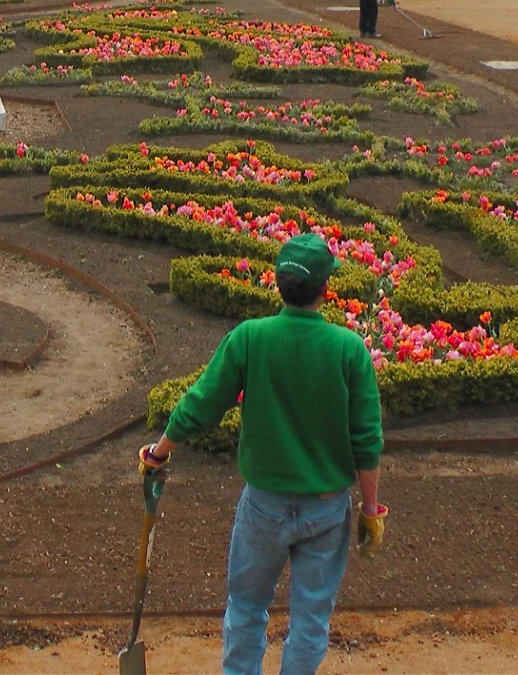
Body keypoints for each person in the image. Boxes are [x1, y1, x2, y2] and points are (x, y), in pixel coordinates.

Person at [137, 234, 385, 675]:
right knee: (311, 619)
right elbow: (366, 440)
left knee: (246, 607)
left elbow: (202, 403)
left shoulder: (251, 338)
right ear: (325, 290)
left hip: (264, 505)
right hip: (326, 509)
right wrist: (370, 508)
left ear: (277, 284)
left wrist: (159, 453)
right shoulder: (349, 349)